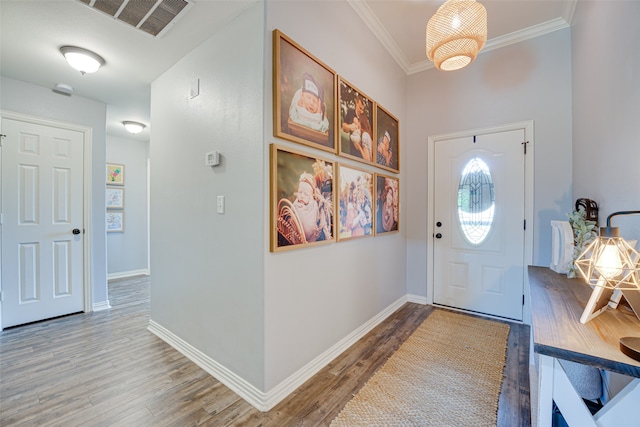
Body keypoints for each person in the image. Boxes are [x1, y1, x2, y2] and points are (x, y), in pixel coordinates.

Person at [277, 170, 332, 246]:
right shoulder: (296, 204)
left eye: (306, 194)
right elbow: (290, 217)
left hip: (309, 240)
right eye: (300, 192)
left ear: (312, 195)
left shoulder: (314, 206)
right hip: (294, 238)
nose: (302, 196)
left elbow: (310, 227)